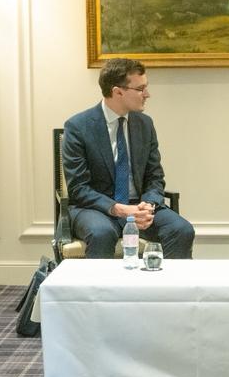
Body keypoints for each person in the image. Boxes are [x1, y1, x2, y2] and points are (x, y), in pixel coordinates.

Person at [61, 58, 195, 259]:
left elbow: (155, 177)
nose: (147, 94)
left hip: (138, 206)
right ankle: (103, 283)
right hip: (96, 209)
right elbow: (79, 188)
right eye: (140, 89)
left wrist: (148, 205)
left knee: (181, 229)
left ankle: (165, 281)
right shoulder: (78, 127)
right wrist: (120, 210)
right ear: (118, 92)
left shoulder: (145, 124)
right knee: (102, 233)